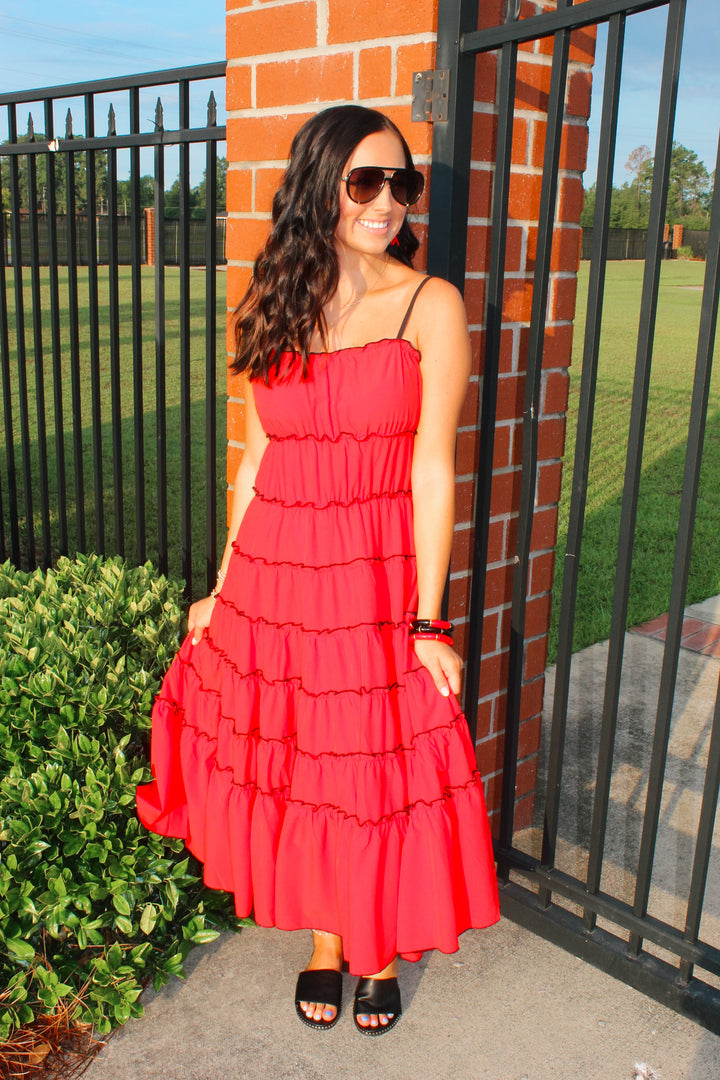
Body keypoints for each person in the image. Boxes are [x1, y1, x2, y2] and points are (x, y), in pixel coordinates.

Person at [136, 104, 499, 1036]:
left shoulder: (431, 303)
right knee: (300, 763)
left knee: (368, 770)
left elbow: (430, 470)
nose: (386, 202)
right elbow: (256, 461)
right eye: (364, 182)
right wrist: (221, 588)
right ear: (318, 187)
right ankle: (328, 945)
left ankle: (373, 946)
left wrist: (427, 620)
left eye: (401, 183)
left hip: (372, 580)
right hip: (276, 580)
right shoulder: (272, 304)